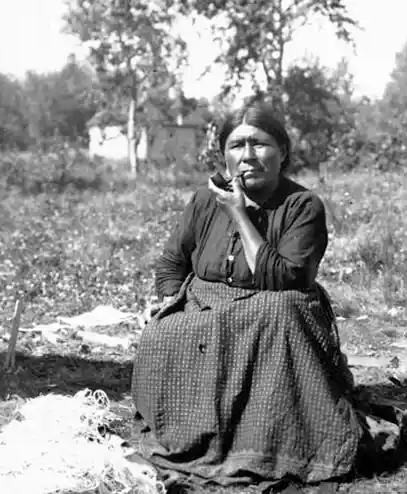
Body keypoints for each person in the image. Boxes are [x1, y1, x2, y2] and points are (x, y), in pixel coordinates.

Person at [131, 102, 386, 490]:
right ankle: (190, 438)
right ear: (224, 156)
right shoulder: (204, 200)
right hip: (207, 306)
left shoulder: (302, 205)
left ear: (282, 151)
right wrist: (169, 300)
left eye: (260, 144)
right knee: (161, 332)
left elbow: (282, 278)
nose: (248, 156)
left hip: (274, 308)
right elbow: (172, 262)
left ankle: (266, 446)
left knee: (279, 311)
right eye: (236, 146)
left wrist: (238, 214)